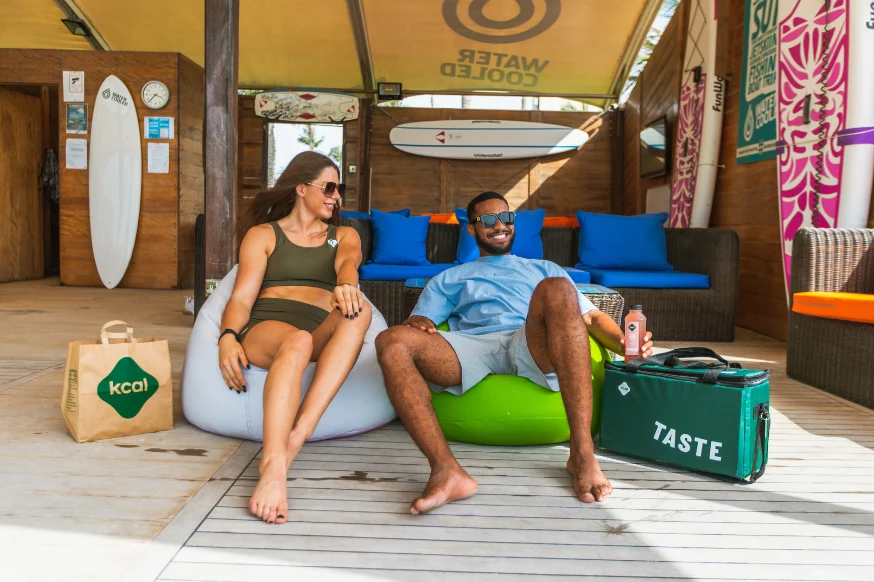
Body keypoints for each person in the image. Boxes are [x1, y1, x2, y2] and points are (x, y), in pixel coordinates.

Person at [375, 192, 654, 515]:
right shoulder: (449, 278)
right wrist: (418, 322)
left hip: (530, 341)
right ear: (471, 228)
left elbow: (590, 317)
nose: (500, 226)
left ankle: (582, 453)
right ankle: (446, 471)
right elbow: (420, 323)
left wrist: (621, 342)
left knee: (558, 288)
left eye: (506, 218)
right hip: (473, 345)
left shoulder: (544, 269)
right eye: (488, 220)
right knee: (391, 340)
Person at [218, 151, 371, 525]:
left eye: (340, 189)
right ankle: (272, 471)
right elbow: (241, 296)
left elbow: (347, 263)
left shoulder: (344, 235)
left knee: (360, 310)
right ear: (301, 188)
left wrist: (348, 285)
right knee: (297, 340)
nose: (337, 196)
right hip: (267, 329)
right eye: (329, 187)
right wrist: (227, 337)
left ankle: (293, 441)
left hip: (316, 329)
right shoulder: (264, 235)